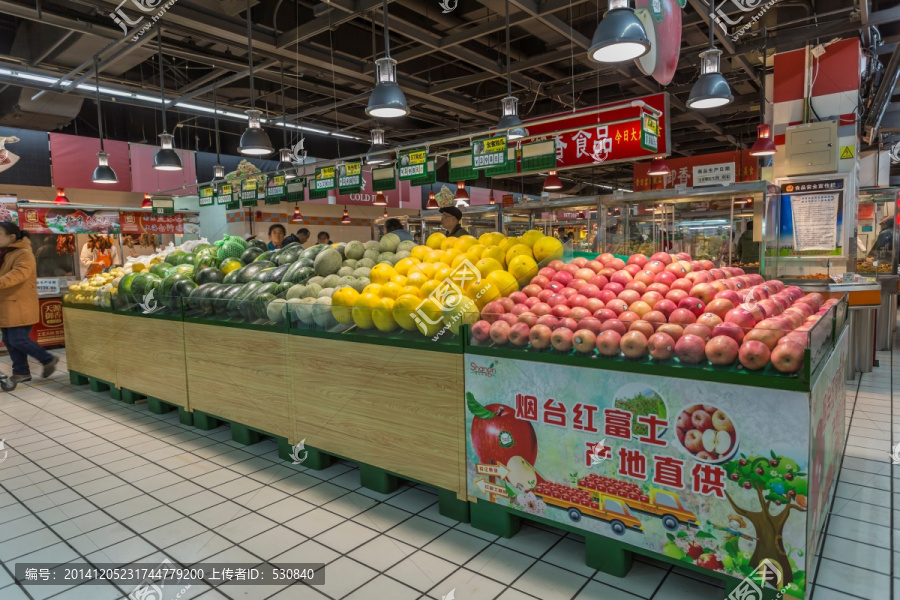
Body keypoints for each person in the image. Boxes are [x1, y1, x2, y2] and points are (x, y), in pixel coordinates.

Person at [0, 222, 58, 383]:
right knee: (9, 340)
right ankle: (21, 371)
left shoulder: (24, 253)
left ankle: (47, 359)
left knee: (18, 339)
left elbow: (18, 274)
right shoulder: (6, 253)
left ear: (11, 237)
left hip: (19, 304)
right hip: (6, 305)